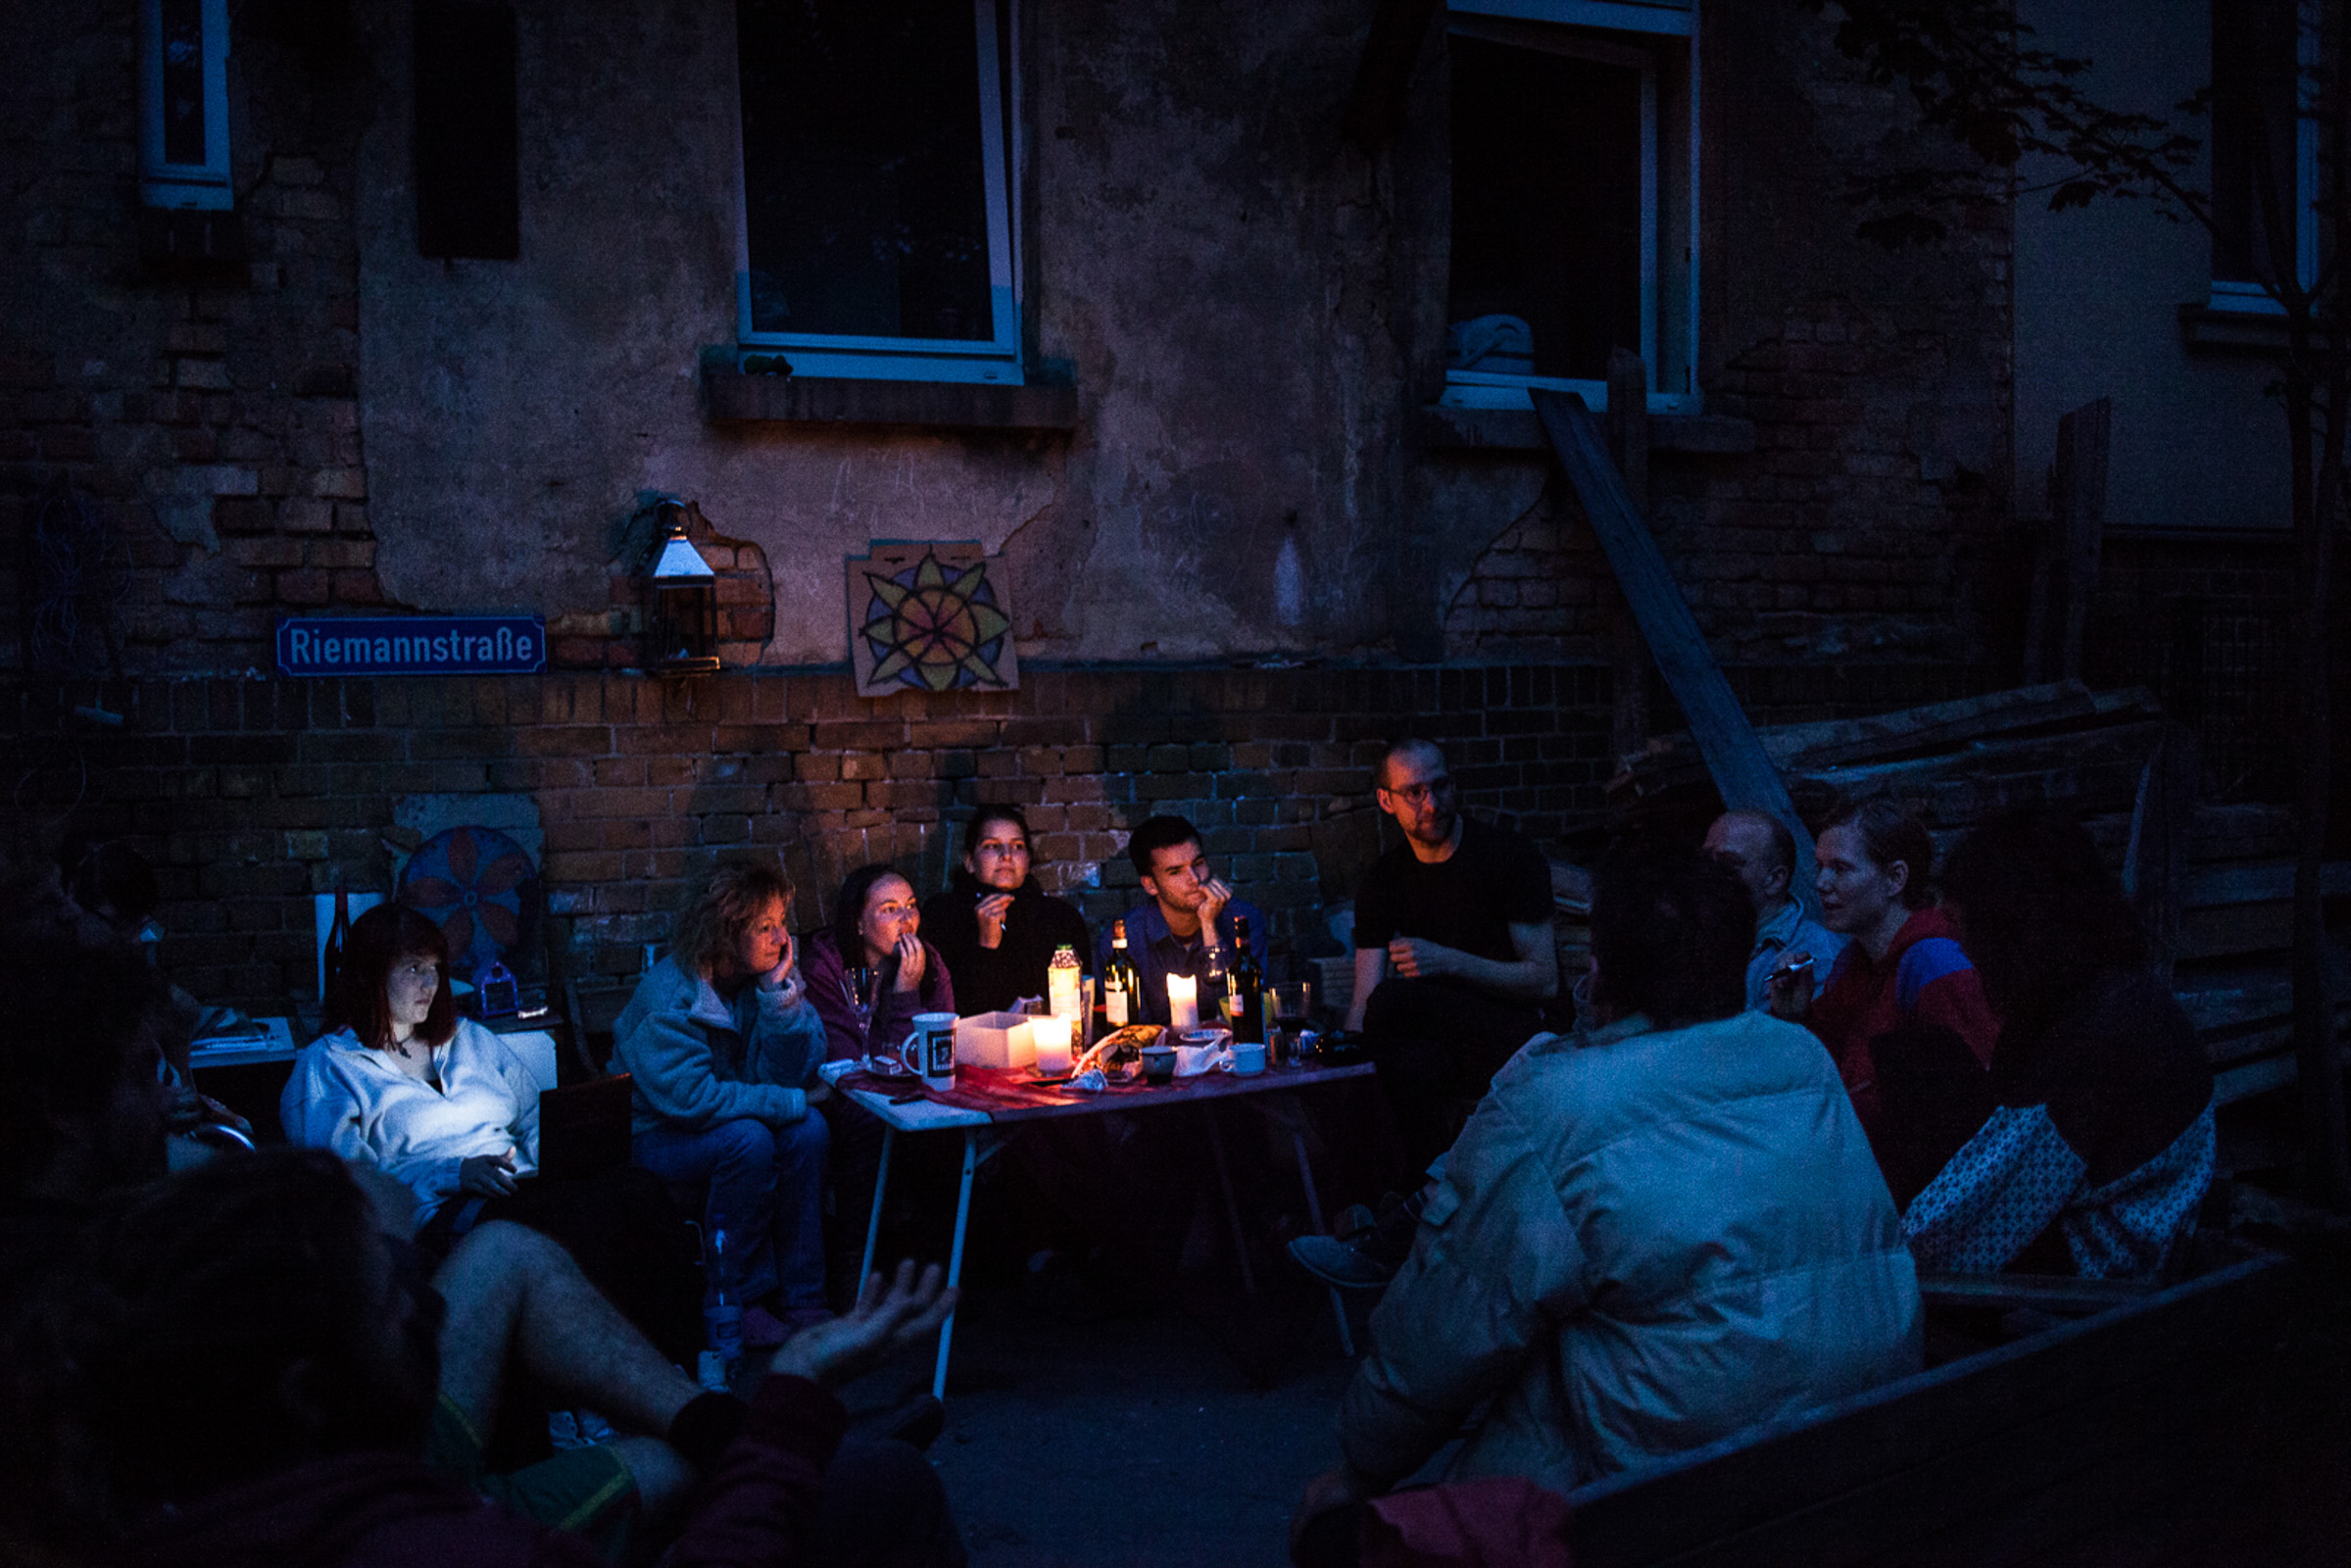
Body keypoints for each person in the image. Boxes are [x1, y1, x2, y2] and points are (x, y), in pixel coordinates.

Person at [1292, 846, 1921, 1534]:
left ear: (1600, 970)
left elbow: (1450, 1323)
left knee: (1528, 1347)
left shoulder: (1559, 1101)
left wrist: (1361, 1465)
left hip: (1678, 1493)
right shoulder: (1797, 1055)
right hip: (1860, 1451)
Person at [3, 1147, 967, 1568]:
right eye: (392, 1296)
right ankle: (777, 1441)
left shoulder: (149, 1446)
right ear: (310, 1391)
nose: (425, 1299)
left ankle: (736, 1426)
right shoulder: (450, 1550)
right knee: (876, 1481)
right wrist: (795, 1393)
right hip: (421, 1491)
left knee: (503, 1249)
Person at [283, 903, 700, 1361]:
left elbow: (532, 1115)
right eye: (413, 969)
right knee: (582, 1218)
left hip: (520, 1181)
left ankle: (682, 1361)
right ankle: (602, 1379)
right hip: (440, 1208)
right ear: (369, 976)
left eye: (436, 970)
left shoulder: (468, 1039)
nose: (430, 984)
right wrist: (452, 1173)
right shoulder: (329, 1066)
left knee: (638, 1189)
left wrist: (552, 1156)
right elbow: (348, 1186)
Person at [1889, 808, 2216, 1279]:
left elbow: (1985, 1209)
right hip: (2105, 1245)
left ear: (2010, 929)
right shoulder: (2098, 998)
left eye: (1968, 936)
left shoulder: (2104, 1027)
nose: (1967, 955)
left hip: (2102, 1271)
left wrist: (1880, 1266)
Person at [613, 856, 834, 1348]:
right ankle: (738, 1299)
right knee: (749, 1141)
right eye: (765, 927)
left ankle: (803, 1296)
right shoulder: (671, 995)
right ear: (723, 932)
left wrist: (780, 1002)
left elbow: (792, 1073)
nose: (781, 940)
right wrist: (790, 1100)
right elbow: (692, 1100)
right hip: (656, 1135)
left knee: (809, 1130)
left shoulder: (765, 980)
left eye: (782, 924)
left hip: (732, 1117)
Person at [1346, 740, 1557, 1178]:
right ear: (1387, 801)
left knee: (1394, 1001)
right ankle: (1427, 1197)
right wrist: (1345, 1069)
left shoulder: (1506, 857)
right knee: (1412, 1066)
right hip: (1435, 1040)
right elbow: (1363, 1000)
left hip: (1514, 1030)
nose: (1431, 804)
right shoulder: (1385, 879)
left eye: (1439, 786)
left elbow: (1545, 981)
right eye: (1414, 792)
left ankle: (1407, 1204)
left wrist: (1450, 961)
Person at [1768, 795, 1999, 1141]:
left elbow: (1978, 1113)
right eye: (1819, 867)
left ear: (1895, 878)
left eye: (1841, 869)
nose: (1821, 884)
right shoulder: (1855, 966)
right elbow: (1830, 1081)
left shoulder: (1935, 967)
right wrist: (1797, 1018)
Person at [1093, 814, 1269, 1029]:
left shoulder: (1243, 922)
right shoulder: (1125, 942)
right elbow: (1135, 1033)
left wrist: (1208, 925)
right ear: (1150, 885)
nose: (1194, 879)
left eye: (1199, 863)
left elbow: (1243, 1015)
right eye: (1176, 872)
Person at [920, 806, 1092, 1017]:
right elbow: (947, 1008)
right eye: (992, 846)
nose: (1006, 855)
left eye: (1017, 846)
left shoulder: (1061, 918)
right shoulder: (943, 915)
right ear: (969, 861)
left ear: (1028, 861)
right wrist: (986, 945)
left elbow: (1083, 1000)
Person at [805, 864, 957, 1061]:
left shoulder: (929, 961)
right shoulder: (824, 971)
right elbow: (851, 1063)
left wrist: (907, 993)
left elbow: (941, 1054)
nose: (907, 918)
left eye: (911, 905)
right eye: (890, 909)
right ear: (858, 923)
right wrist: (905, 997)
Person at [1704, 807, 1846, 1010]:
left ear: (1775, 879)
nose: (1709, 873)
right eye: (1706, 860)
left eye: (1728, 864)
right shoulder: (1699, 939)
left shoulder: (1814, 955)